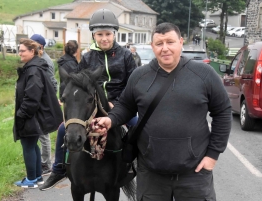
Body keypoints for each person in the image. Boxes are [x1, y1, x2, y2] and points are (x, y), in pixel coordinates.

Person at [93, 22, 232, 200]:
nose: (165, 48)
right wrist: (110, 120)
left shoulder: (204, 74)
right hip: (151, 174)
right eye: (159, 44)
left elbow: (223, 112)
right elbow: (126, 106)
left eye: (170, 42)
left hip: (194, 173)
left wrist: (213, 155)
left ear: (181, 42)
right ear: (153, 47)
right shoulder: (139, 76)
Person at [39, 8, 137, 191]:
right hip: (92, 105)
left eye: (108, 34)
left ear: (114, 34)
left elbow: (133, 83)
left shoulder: (125, 56)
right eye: (100, 34)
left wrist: (119, 103)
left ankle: (136, 166)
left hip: (120, 105)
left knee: (138, 125)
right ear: (94, 35)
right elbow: (77, 82)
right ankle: (59, 168)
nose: (104, 38)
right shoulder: (87, 57)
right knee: (62, 129)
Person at [13, 38, 63, 188]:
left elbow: (32, 98)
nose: (19, 53)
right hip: (34, 115)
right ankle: (37, 177)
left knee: (27, 145)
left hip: (31, 116)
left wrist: (21, 114)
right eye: (19, 50)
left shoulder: (33, 71)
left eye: (22, 50)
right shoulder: (33, 67)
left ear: (32, 51)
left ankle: (31, 179)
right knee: (32, 144)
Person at [30, 34, 58, 176]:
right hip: (37, 100)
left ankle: (46, 164)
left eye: (33, 44)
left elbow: (52, 82)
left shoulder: (46, 61)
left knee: (43, 132)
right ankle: (41, 161)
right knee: (38, 131)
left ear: (40, 45)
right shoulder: (37, 58)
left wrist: (49, 101)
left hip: (43, 101)